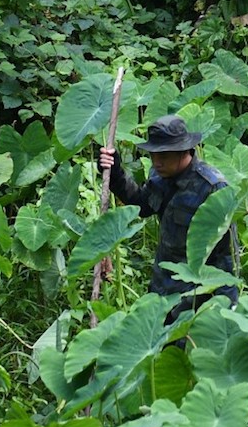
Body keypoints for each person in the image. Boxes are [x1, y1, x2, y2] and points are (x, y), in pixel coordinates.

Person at [98, 114, 238, 325]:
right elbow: (142, 205)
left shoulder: (212, 188)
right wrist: (115, 172)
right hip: (162, 288)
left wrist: (228, 305)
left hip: (196, 296)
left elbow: (227, 255)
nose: (156, 162)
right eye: (154, 155)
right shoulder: (159, 175)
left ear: (183, 150)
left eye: (163, 155)